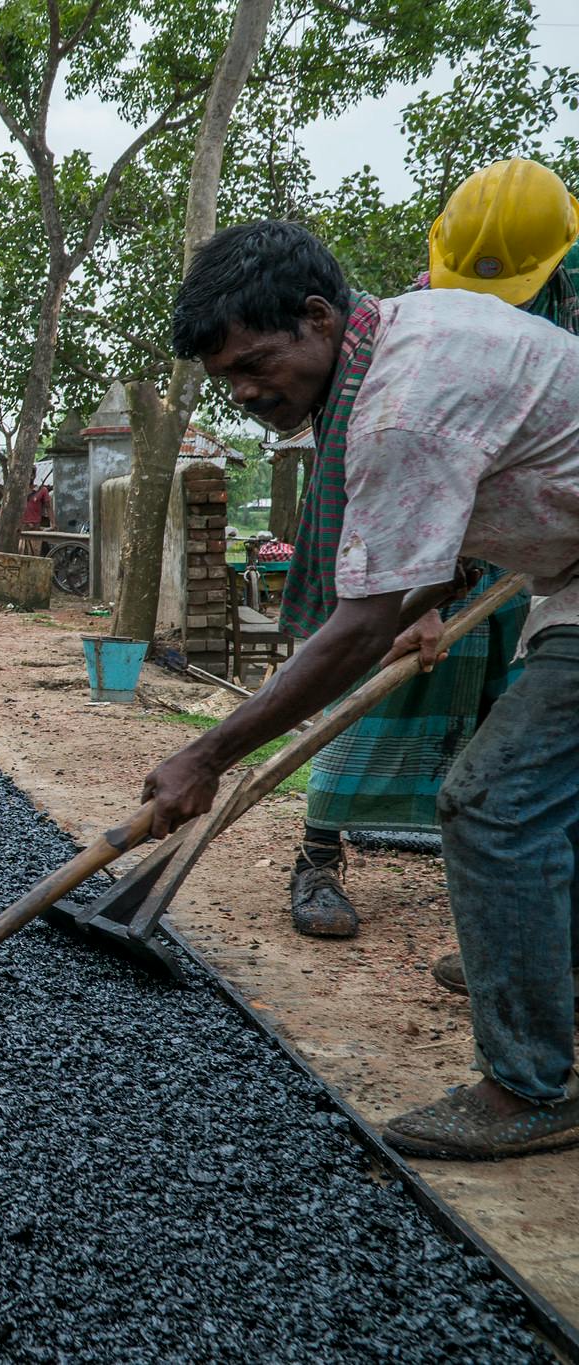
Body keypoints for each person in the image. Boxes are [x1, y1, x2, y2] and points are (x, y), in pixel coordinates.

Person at [145, 219, 579, 1161]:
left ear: (317, 317)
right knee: (544, 797)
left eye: (255, 364)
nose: (246, 392)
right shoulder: (402, 338)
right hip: (565, 574)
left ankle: (528, 1087)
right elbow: (461, 514)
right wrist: (429, 594)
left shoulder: (397, 408)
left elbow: (357, 628)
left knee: (494, 802)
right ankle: (545, 966)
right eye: (225, 378)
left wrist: (206, 753)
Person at [288, 158, 564, 941]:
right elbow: (385, 468)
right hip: (418, 527)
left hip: (535, 545)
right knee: (368, 676)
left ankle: (517, 919)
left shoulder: (569, 305)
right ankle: (317, 854)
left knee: (516, 730)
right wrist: (421, 597)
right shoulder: (403, 333)